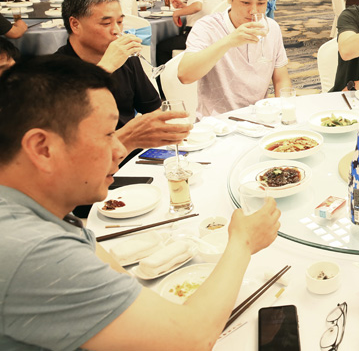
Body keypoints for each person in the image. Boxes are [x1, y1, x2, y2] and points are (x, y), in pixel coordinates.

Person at [0, 56, 281, 351]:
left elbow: (115, 275)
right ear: (42, 148)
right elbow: (188, 340)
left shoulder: (34, 208)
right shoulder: (32, 250)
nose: (120, 148)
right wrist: (242, 242)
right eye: (108, 134)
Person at [56, 0, 190, 152]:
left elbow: (152, 111)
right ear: (75, 24)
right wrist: (106, 68)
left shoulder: (126, 59)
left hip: (131, 155)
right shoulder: (52, 72)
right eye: (106, 23)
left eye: (120, 22)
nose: (117, 30)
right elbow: (66, 142)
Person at [178, 0, 292, 117]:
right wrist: (229, 41)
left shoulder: (271, 28)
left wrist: (284, 113)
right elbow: (185, 75)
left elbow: (281, 80)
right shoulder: (207, 27)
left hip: (259, 120)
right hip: (218, 123)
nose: (254, 11)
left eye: (261, 3)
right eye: (245, 2)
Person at [157, 0, 224, 66]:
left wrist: (177, 13)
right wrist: (184, 6)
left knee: (161, 47)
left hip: (198, 34)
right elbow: (203, 7)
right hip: (213, 33)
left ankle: (166, 76)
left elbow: (197, 6)